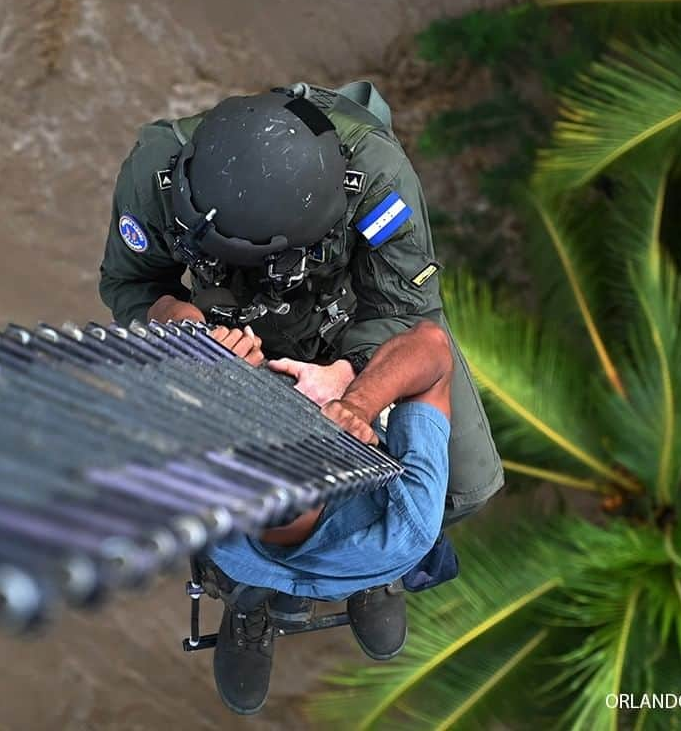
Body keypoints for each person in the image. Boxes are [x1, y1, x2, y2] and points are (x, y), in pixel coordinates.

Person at [97, 81, 503, 688]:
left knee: (466, 486)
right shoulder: (156, 172)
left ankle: (369, 574)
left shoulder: (372, 174)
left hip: (352, 332)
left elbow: (410, 311)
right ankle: (247, 601)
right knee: (225, 536)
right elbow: (128, 285)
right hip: (225, 348)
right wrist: (178, 324)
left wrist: (352, 380)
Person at [196, 318, 453, 714]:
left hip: (247, 565)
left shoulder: (204, 517)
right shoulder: (407, 527)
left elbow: (160, 306)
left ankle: (246, 604)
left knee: (235, 578)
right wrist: (358, 404)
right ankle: (371, 581)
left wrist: (196, 341)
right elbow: (433, 346)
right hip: (377, 551)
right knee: (460, 497)